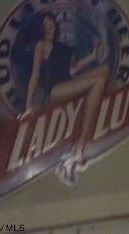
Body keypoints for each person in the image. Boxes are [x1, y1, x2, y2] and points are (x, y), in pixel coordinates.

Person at [24, 11, 109, 177]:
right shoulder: (40, 45)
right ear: (40, 28)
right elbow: (35, 75)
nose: (49, 27)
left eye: (51, 23)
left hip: (67, 81)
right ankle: (82, 141)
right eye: (45, 24)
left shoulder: (60, 44)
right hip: (55, 89)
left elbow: (71, 68)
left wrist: (92, 56)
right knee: (98, 81)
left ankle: (87, 116)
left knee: (104, 71)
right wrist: (28, 106)